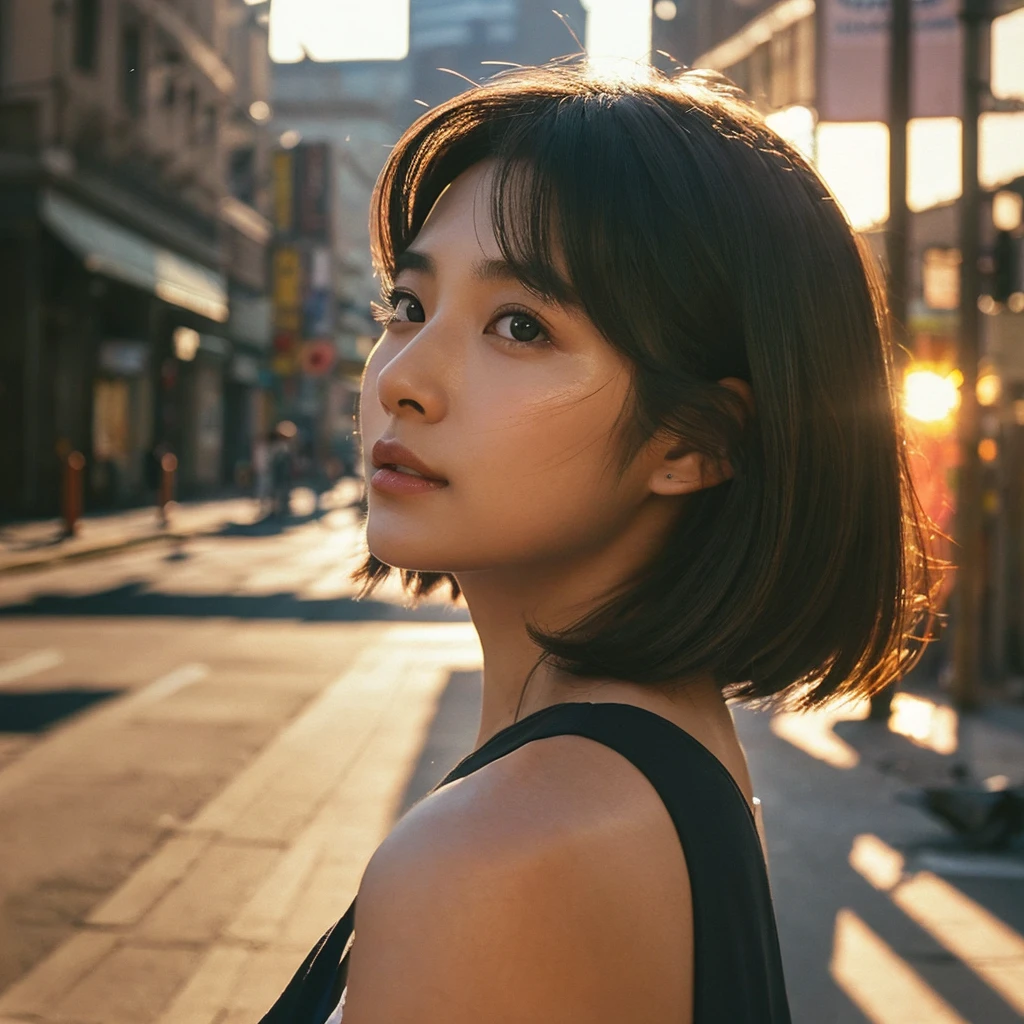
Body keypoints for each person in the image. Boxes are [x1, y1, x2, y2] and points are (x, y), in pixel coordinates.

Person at [259, 60, 936, 1024]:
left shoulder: (497, 857)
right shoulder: (657, 757)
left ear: (695, 444)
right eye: (408, 305)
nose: (403, 377)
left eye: (519, 325)